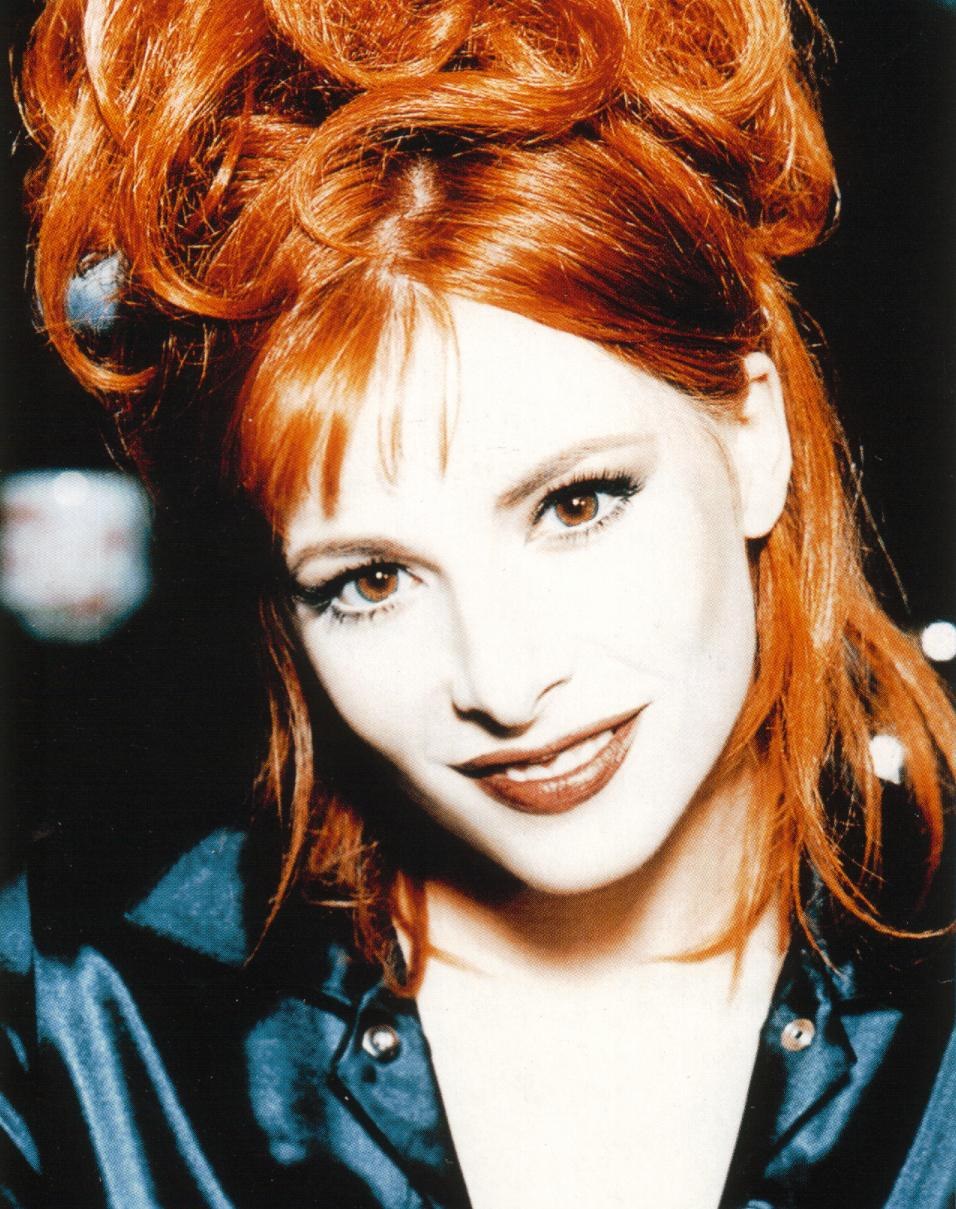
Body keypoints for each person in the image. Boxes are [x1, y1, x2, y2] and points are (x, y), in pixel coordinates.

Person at [2, 0, 953, 1206]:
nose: (500, 684)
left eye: (575, 505)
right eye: (370, 581)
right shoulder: (77, 1022)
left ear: (749, 435)